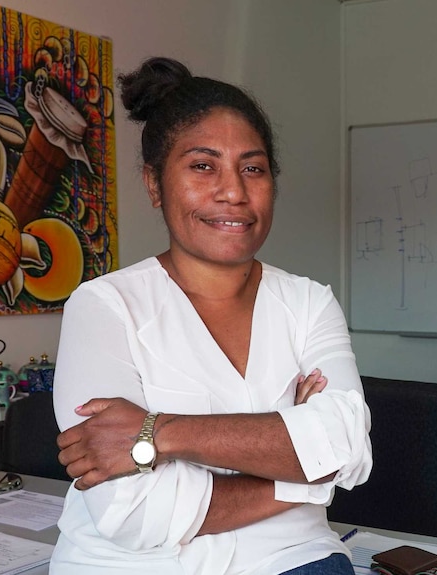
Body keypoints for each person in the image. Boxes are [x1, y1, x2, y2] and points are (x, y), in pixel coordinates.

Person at [49, 56, 373, 575]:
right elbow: (131, 510)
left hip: (294, 559)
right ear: (154, 184)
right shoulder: (105, 306)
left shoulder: (309, 302)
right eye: (203, 166)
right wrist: (305, 472)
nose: (234, 192)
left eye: (253, 168)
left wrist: (157, 433)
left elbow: (347, 444)